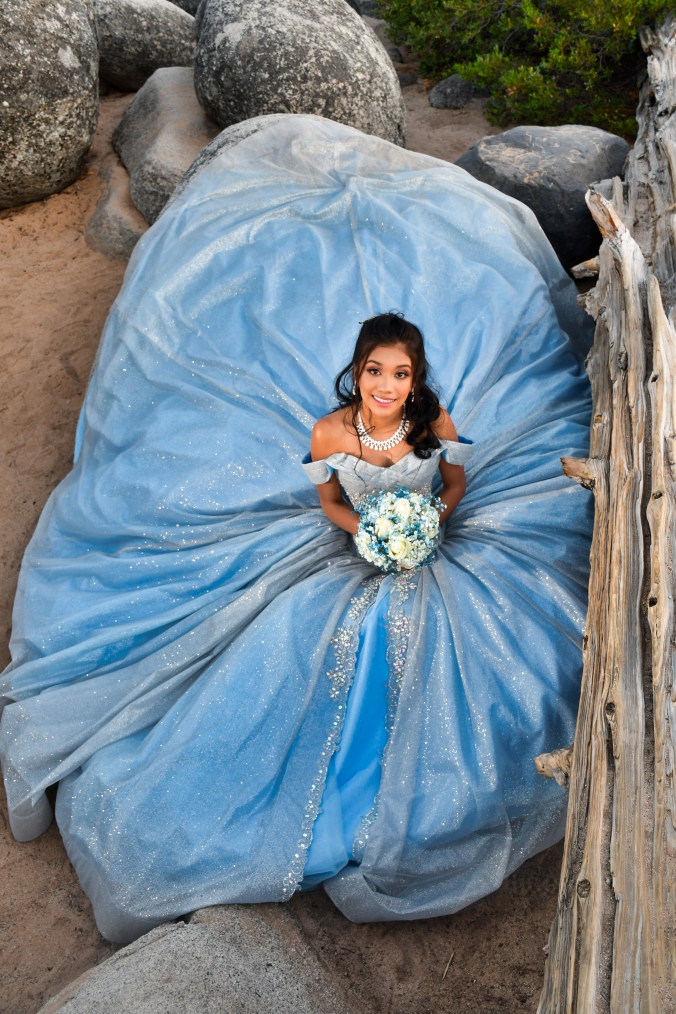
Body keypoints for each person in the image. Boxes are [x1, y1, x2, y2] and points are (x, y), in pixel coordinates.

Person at [0, 115, 593, 942]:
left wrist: (427, 519)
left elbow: (453, 477)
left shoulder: (435, 415)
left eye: (400, 375)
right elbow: (329, 503)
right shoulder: (328, 432)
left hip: (422, 524)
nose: (388, 388)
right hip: (363, 529)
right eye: (376, 375)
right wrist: (366, 530)